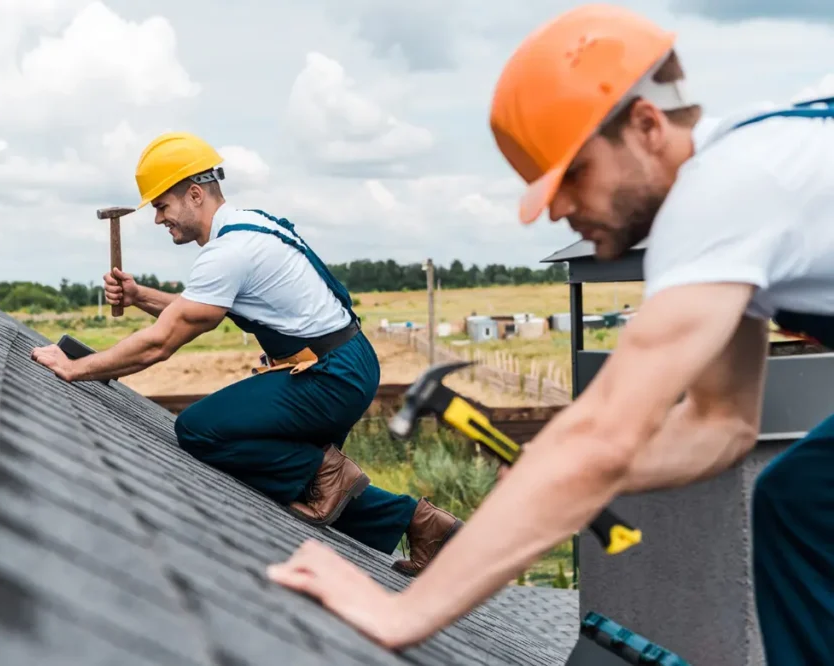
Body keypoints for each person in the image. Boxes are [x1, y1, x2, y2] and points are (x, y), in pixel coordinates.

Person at [265, 5, 834, 664]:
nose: (559, 209)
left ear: (646, 125)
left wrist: (407, 613)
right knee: (800, 503)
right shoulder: (751, 182)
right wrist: (553, 481)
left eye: (575, 175)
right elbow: (719, 425)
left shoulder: (721, 196)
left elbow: (602, 435)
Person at [31, 130, 463, 575]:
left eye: (161, 206)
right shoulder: (253, 225)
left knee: (202, 429)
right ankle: (426, 526)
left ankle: (327, 471)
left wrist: (75, 367)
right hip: (346, 363)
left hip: (331, 377)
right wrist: (139, 294)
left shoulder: (229, 251)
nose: (159, 219)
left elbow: (162, 341)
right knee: (308, 486)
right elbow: (194, 310)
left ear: (194, 194)